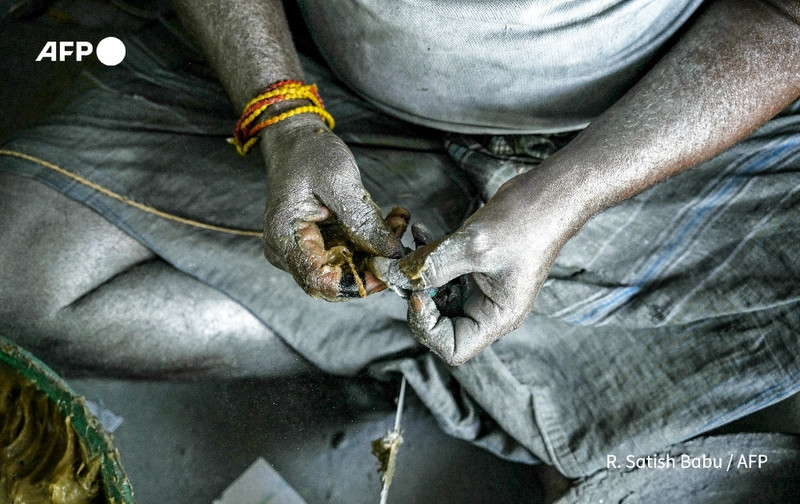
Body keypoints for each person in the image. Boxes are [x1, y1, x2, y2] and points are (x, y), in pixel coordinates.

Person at [1, 0, 800, 486]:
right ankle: (448, 339)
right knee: (20, 276)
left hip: (639, 127)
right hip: (307, 79)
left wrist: (567, 196)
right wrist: (280, 113)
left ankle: (428, 318)